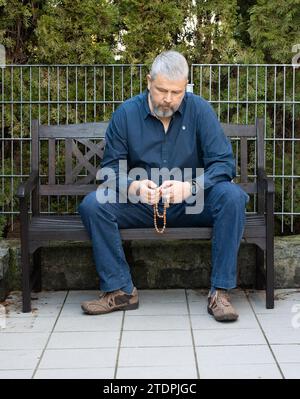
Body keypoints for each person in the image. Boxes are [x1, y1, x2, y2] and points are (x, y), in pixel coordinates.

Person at [78, 50, 249, 322]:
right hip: (142, 205)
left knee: (233, 197)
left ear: (185, 88)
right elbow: (110, 169)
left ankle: (220, 292)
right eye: (161, 90)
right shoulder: (126, 114)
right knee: (94, 204)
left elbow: (224, 164)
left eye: (176, 92)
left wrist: (190, 187)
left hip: (193, 203)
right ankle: (121, 290)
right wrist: (134, 187)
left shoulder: (200, 110)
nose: (168, 99)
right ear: (148, 82)